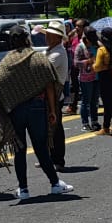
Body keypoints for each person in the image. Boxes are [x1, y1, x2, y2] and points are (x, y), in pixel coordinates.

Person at [0, 25, 74, 201]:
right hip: (37, 108)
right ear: (28, 39)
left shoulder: (7, 61)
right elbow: (50, 84)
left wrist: (6, 105)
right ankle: (55, 183)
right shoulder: (37, 58)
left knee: (19, 151)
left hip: (16, 110)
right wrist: (52, 109)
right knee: (41, 148)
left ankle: (24, 189)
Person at [41, 20, 70, 170]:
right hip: (48, 94)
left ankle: (58, 160)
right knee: (48, 128)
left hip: (55, 95)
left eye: (51, 35)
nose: (47, 37)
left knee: (55, 129)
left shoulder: (57, 53)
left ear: (58, 38)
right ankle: (50, 158)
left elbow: (42, 69)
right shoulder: (51, 50)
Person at [74, 27, 100, 132]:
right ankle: (85, 123)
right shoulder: (80, 47)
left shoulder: (97, 45)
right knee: (86, 101)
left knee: (95, 101)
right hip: (85, 78)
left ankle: (94, 121)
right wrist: (88, 61)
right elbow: (75, 63)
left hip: (96, 77)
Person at [93, 28, 112, 135]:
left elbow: (97, 67)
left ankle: (107, 127)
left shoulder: (102, 50)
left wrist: (93, 63)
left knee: (107, 104)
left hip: (105, 78)